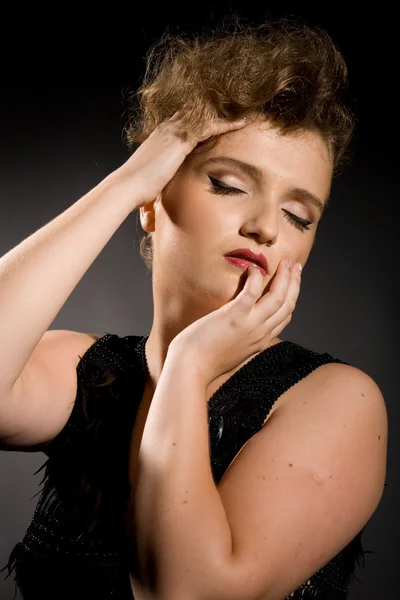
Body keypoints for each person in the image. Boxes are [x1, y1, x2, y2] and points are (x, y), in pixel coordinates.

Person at [0, 15, 387, 600]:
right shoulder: (90, 373)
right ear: (155, 201)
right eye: (230, 184)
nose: (264, 228)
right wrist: (127, 183)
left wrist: (188, 365)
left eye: (298, 215)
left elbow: (184, 591)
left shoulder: (339, 402)